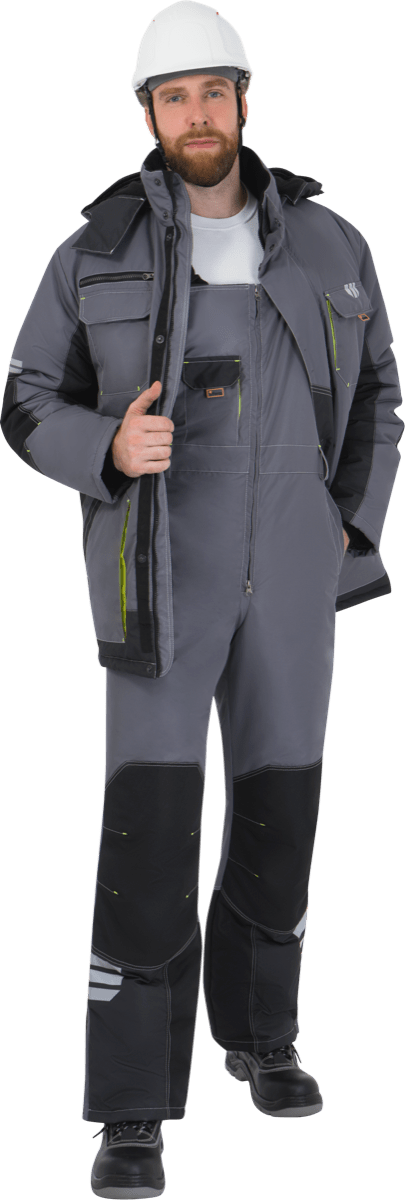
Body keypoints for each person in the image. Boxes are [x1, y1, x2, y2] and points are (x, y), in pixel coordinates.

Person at [1, 1, 403, 1196]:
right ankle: (132, 1111)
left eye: (212, 91)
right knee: (151, 829)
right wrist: (106, 448)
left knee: (283, 815)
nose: (196, 115)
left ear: (243, 99)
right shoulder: (95, 249)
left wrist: (354, 521)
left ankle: (263, 1039)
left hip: (295, 573)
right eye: (172, 97)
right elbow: (24, 397)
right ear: (148, 114)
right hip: (158, 574)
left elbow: (383, 388)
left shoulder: (331, 241)